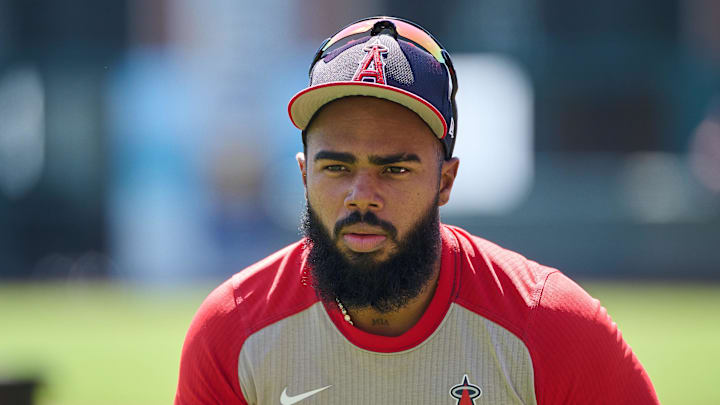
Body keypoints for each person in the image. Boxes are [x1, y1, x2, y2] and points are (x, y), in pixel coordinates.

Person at [175, 16, 659, 404]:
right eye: (337, 167)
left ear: (445, 181)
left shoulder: (553, 328)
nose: (361, 195)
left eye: (395, 169)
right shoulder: (233, 333)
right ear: (304, 174)